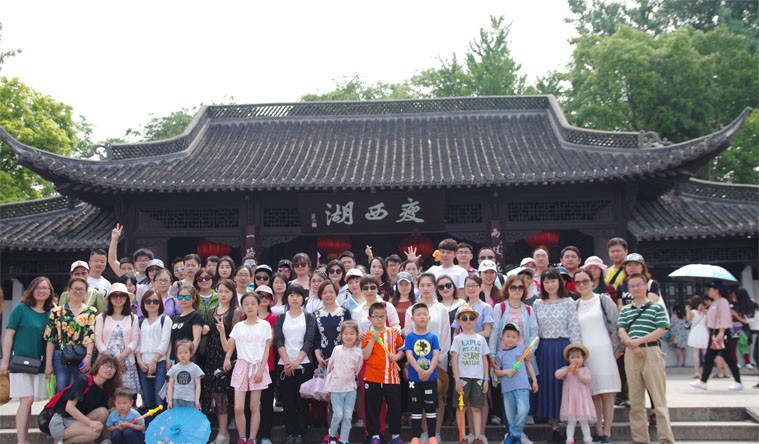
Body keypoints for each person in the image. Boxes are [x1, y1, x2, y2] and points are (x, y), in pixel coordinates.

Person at [617, 273, 674, 444]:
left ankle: (666, 438)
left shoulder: (656, 307)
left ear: (645, 286)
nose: (636, 288)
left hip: (651, 351)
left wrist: (639, 342)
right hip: (631, 354)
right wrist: (632, 345)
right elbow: (621, 329)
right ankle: (640, 438)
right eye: (632, 286)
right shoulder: (626, 309)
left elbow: (661, 330)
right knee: (635, 400)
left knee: (658, 398)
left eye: (639, 285)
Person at [0, 276, 54, 444]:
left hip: (40, 363)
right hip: (21, 362)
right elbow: (9, 335)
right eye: (38, 287)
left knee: (30, 401)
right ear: (31, 289)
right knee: (27, 399)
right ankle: (21, 441)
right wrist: (5, 361)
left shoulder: (51, 313)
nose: (42, 291)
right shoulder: (21, 309)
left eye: (45, 288)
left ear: (50, 292)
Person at [532, 268, 581, 443]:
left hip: (564, 348)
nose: (550, 285)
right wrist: (532, 350)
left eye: (553, 281)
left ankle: (569, 428)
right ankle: (554, 427)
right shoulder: (537, 304)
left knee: (565, 387)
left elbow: (574, 328)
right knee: (548, 386)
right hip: (544, 349)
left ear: (559, 282)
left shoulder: (568, 302)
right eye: (546, 282)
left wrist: (577, 353)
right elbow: (535, 330)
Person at [573, 269, 621, 444]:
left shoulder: (603, 300)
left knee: (606, 393)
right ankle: (598, 430)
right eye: (578, 282)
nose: (582, 285)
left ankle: (607, 432)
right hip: (586, 355)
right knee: (593, 394)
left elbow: (615, 324)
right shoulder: (575, 305)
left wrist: (617, 348)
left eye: (585, 281)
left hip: (605, 351)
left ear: (592, 282)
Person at [224, 292, 273, 444]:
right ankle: (242, 437)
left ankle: (252, 438)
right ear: (242, 307)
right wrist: (221, 333)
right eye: (246, 304)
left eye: (253, 303)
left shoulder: (264, 325)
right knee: (238, 407)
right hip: (241, 366)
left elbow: (267, 349)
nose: (249, 307)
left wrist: (261, 370)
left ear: (258, 305)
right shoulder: (238, 326)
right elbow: (228, 347)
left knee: (254, 406)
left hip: (258, 366)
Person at [274, 284, 316, 444]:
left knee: (302, 400)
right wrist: (287, 362)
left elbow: (309, 340)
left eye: (298, 295)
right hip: (284, 364)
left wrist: (297, 361)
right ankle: (290, 432)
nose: (295, 298)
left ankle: (301, 433)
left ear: (303, 298)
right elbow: (279, 340)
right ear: (287, 298)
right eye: (291, 295)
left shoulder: (309, 317)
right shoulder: (281, 318)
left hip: (304, 364)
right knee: (288, 400)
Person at [48, 352, 121, 444]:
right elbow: (69, 407)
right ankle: (60, 440)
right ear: (98, 366)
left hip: (77, 422)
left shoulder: (106, 389)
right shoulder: (84, 380)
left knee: (103, 412)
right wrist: (90, 423)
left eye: (113, 367)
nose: (109, 369)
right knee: (94, 433)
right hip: (61, 423)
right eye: (106, 366)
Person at [44, 277, 98, 392]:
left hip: (82, 354)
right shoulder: (56, 312)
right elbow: (51, 339)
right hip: (61, 355)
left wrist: (88, 356)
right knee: (61, 388)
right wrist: (48, 364)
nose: (78, 292)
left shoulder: (91, 311)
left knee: (81, 388)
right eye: (75, 289)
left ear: (86, 292)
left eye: (81, 289)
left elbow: (90, 336)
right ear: (68, 290)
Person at [362, 302, 405, 444]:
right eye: (376, 316)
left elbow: (402, 349)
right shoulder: (368, 335)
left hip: (391, 377)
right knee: (372, 407)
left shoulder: (393, 333)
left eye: (382, 316)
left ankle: (395, 436)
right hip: (372, 377)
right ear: (370, 319)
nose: (379, 319)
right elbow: (365, 356)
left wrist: (397, 357)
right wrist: (372, 340)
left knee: (394, 407)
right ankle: (374, 435)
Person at [205, 279, 241, 444]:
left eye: (227, 291)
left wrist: (228, 358)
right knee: (217, 394)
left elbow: (235, 338)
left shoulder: (235, 312)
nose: (223, 294)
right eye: (220, 291)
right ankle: (222, 431)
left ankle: (226, 431)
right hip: (212, 356)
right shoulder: (212, 311)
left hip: (228, 356)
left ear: (233, 293)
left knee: (227, 394)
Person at [690, 281, 743, 391]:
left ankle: (737, 382)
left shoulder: (723, 302)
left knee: (728, 358)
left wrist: (721, 332)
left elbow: (724, 317)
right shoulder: (715, 303)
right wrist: (705, 311)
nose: (708, 291)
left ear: (716, 290)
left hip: (720, 333)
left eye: (710, 289)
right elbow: (714, 318)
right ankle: (703, 381)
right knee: (710, 357)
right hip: (714, 333)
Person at [451, 305, 489, 444]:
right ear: (459, 321)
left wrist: (486, 379)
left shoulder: (481, 339)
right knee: (461, 407)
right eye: (464, 318)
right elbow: (454, 360)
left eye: (471, 317)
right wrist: (457, 380)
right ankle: (462, 436)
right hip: (462, 378)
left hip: (478, 378)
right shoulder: (458, 339)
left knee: (476, 407)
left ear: (476, 320)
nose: (468, 320)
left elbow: (485, 359)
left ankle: (478, 436)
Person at [494, 323, 538, 444]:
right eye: (508, 336)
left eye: (514, 336)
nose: (510, 339)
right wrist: (506, 371)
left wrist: (534, 380)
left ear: (518, 338)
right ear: (502, 337)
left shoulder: (522, 350)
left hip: (522, 385)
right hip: (507, 388)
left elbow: (528, 364)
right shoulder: (499, 354)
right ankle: (517, 438)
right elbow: (497, 372)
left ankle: (513, 435)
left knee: (524, 410)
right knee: (510, 416)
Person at [405, 302, 442, 444]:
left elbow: (436, 355)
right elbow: (409, 355)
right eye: (418, 314)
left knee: (431, 408)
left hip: (430, 378)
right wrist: (419, 370)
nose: (422, 317)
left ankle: (432, 436)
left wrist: (430, 370)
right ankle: (416, 437)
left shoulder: (433, 337)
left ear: (429, 318)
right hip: (414, 379)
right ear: (412, 318)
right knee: (416, 409)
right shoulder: (410, 337)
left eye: (424, 314)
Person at [95, 283, 140, 394]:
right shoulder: (102, 317)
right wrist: (112, 360)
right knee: (105, 392)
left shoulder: (132, 318)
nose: (118, 298)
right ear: (110, 298)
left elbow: (134, 340)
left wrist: (119, 358)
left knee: (126, 394)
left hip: (126, 360)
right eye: (115, 295)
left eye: (122, 295)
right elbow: (98, 340)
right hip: (105, 360)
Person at [325, 321, 363, 444]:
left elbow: (357, 369)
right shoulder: (336, 350)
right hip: (336, 388)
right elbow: (330, 366)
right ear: (341, 335)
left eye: (352, 333)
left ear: (357, 335)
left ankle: (344, 439)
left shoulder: (358, 352)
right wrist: (329, 383)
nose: (348, 336)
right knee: (338, 415)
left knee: (348, 416)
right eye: (345, 333)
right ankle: (332, 435)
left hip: (350, 389)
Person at [135, 289, 172, 415]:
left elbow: (165, 341)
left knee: (159, 399)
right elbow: (137, 343)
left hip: (160, 362)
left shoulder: (165, 319)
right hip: (143, 363)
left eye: (155, 301)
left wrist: (154, 360)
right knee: (147, 400)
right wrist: (140, 361)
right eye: (148, 301)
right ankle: (149, 424)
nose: (151, 304)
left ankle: (162, 425)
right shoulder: (140, 322)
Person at [555, 344, 596, 444]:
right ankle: (570, 439)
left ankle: (587, 439)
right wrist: (566, 370)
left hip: (582, 400)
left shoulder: (585, 370)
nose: (575, 359)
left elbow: (588, 380)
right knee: (571, 421)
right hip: (571, 401)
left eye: (578, 357)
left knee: (584, 421)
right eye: (572, 357)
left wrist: (578, 374)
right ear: (568, 359)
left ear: (583, 359)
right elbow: (557, 375)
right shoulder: (566, 370)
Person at [314, 281, 353, 369]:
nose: (328, 295)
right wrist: (318, 357)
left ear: (336, 293)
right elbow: (316, 338)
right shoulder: (316, 314)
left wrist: (335, 357)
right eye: (324, 293)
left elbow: (349, 335)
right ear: (320, 295)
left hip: (342, 357)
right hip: (322, 359)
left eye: (331, 292)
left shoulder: (344, 312)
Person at [169, 284, 204, 363]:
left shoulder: (195, 315)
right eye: (180, 297)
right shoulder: (175, 318)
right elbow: (171, 341)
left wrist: (189, 356)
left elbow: (196, 339)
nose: (183, 299)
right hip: (174, 359)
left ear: (193, 298)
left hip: (188, 360)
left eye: (187, 297)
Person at [167, 340, 204, 408]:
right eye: (180, 353)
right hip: (176, 399)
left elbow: (198, 385)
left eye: (186, 352)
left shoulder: (195, 368)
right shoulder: (174, 368)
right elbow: (170, 385)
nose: (183, 355)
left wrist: (197, 399)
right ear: (177, 355)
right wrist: (169, 400)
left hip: (190, 399)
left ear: (191, 353)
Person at [686, 295, 709, 378]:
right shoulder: (706, 312)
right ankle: (707, 371)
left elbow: (688, 320)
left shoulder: (693, 312)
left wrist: (687, 311)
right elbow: (707, 323)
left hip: (695, 331)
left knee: (695, 352)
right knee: (705, 352)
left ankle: (697, 372)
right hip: (703, 330)